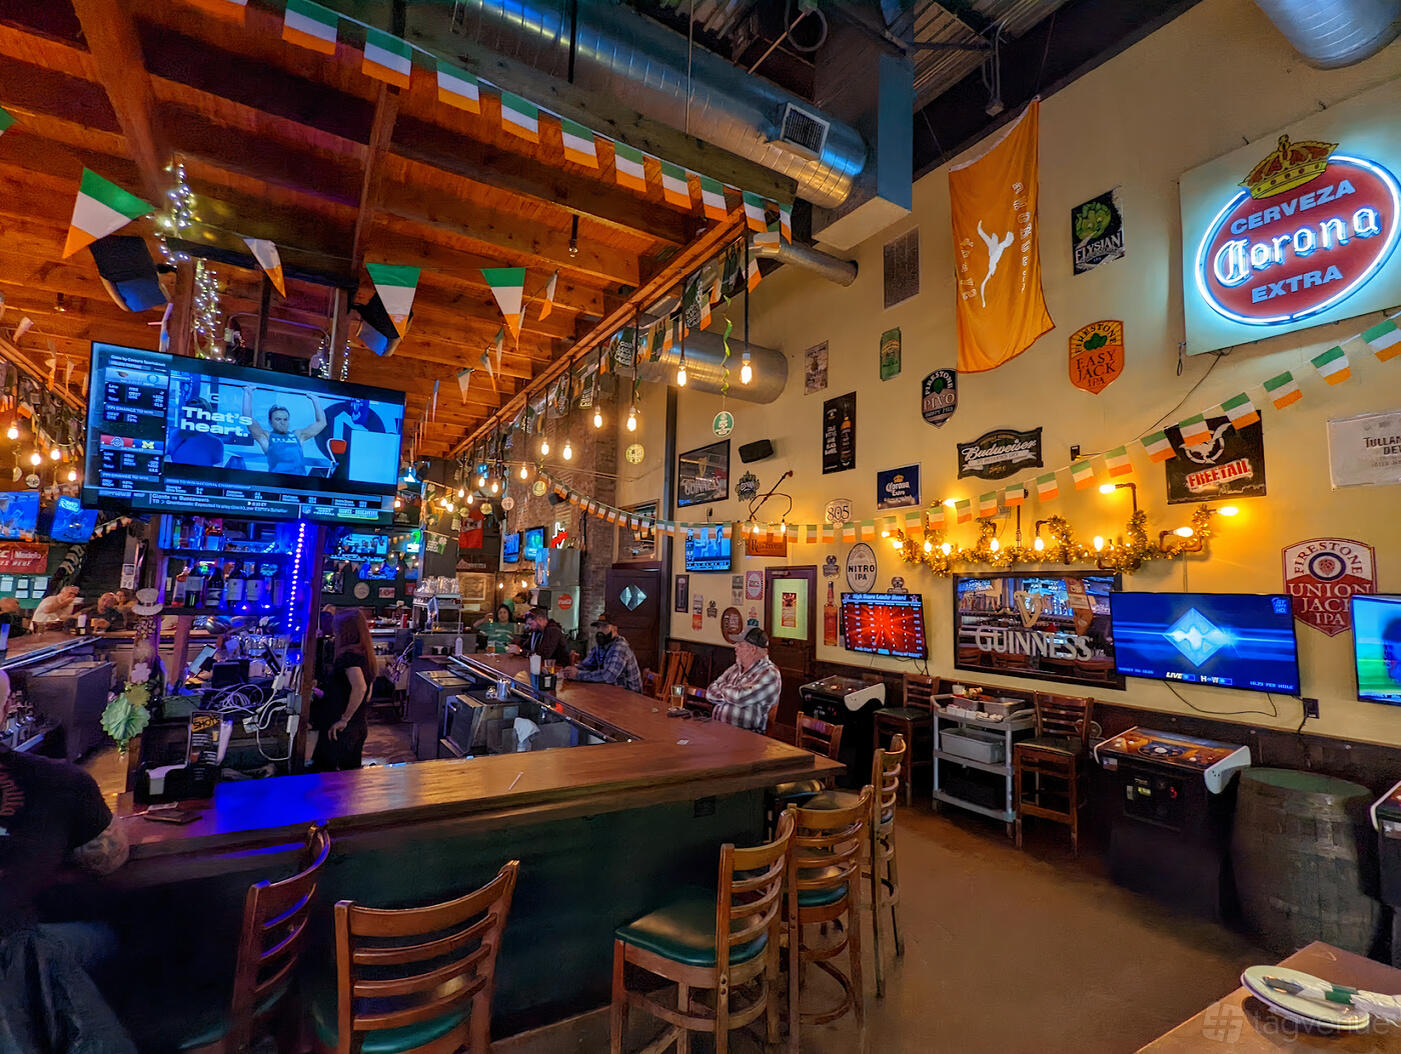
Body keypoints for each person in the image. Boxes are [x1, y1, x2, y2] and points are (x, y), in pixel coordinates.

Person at [0, 666, 137, 1052]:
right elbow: (108, 858)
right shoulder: (59, 782)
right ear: (8, 709)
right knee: (81, 942)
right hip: (17, 948)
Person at [310, 609, 376, 771]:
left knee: (329, 779)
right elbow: (366, 693)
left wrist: (344, 719)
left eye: (337, 627)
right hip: (358, 725)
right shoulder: (365, 654)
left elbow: (360, 688)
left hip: (342, 729)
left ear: (345, 631)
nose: (334, 630)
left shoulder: (349, 656)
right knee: (349, 781)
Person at [698, 627, 783, 733]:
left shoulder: (769, 673)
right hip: (719, 730)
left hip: (747, 736)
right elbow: (710, 693)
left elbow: (740, 697)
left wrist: (722, 687)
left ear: (752, 649)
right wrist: (732, 694)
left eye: (740, 645)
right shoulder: (736, 667)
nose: (735, 648)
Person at [243, 386, 325, 476]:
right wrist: (248, 393)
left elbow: (321, 423)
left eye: (285, 419)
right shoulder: (266, 437)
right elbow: (248, 418)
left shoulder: (297, 435)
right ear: (270, 421)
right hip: (277, 484)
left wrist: (315, 400)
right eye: (278, 419)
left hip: (299, 483)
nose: (282, 422)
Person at [563, 613, 642, 693]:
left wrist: (578, 675)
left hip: (630, 696)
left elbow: (608, 677)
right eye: (598, 627)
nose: (600, 631)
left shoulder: (620, 647)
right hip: (612, 692)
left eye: (604, 627)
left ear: (614, 629)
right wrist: (571, 670)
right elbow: (587, 665)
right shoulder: (602, 646)